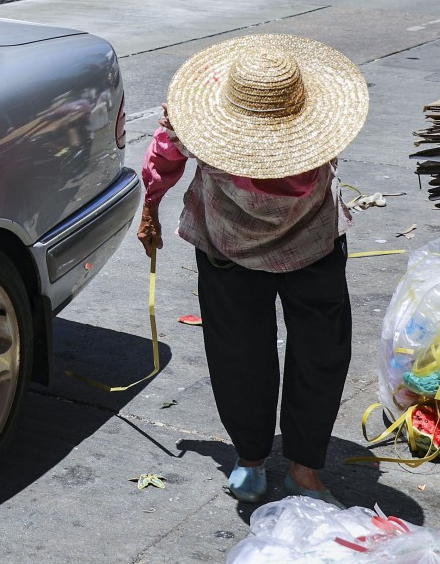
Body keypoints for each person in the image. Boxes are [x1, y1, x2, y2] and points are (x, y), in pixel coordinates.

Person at [137, 34, 369, 506]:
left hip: (235, 245)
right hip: (303, 244)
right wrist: (151, 206)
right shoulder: (321, 118)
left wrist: (151, 207)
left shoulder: (195, 119)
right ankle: (298, 468)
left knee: (239, 349)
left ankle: (252, 462)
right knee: (316, 351)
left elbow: (165, 154)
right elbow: (169, 150)